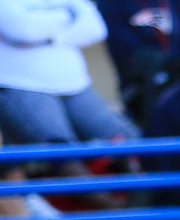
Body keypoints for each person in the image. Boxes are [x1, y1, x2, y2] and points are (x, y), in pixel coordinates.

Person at [0, 0, 139, 207]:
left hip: (75, 84)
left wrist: (50, 37)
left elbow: (96, 28)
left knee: (126, 138)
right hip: (19, 84)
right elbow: (23, 30)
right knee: (61, 151)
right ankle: (106, 213)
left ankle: (138, 209)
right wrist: (67, 15)